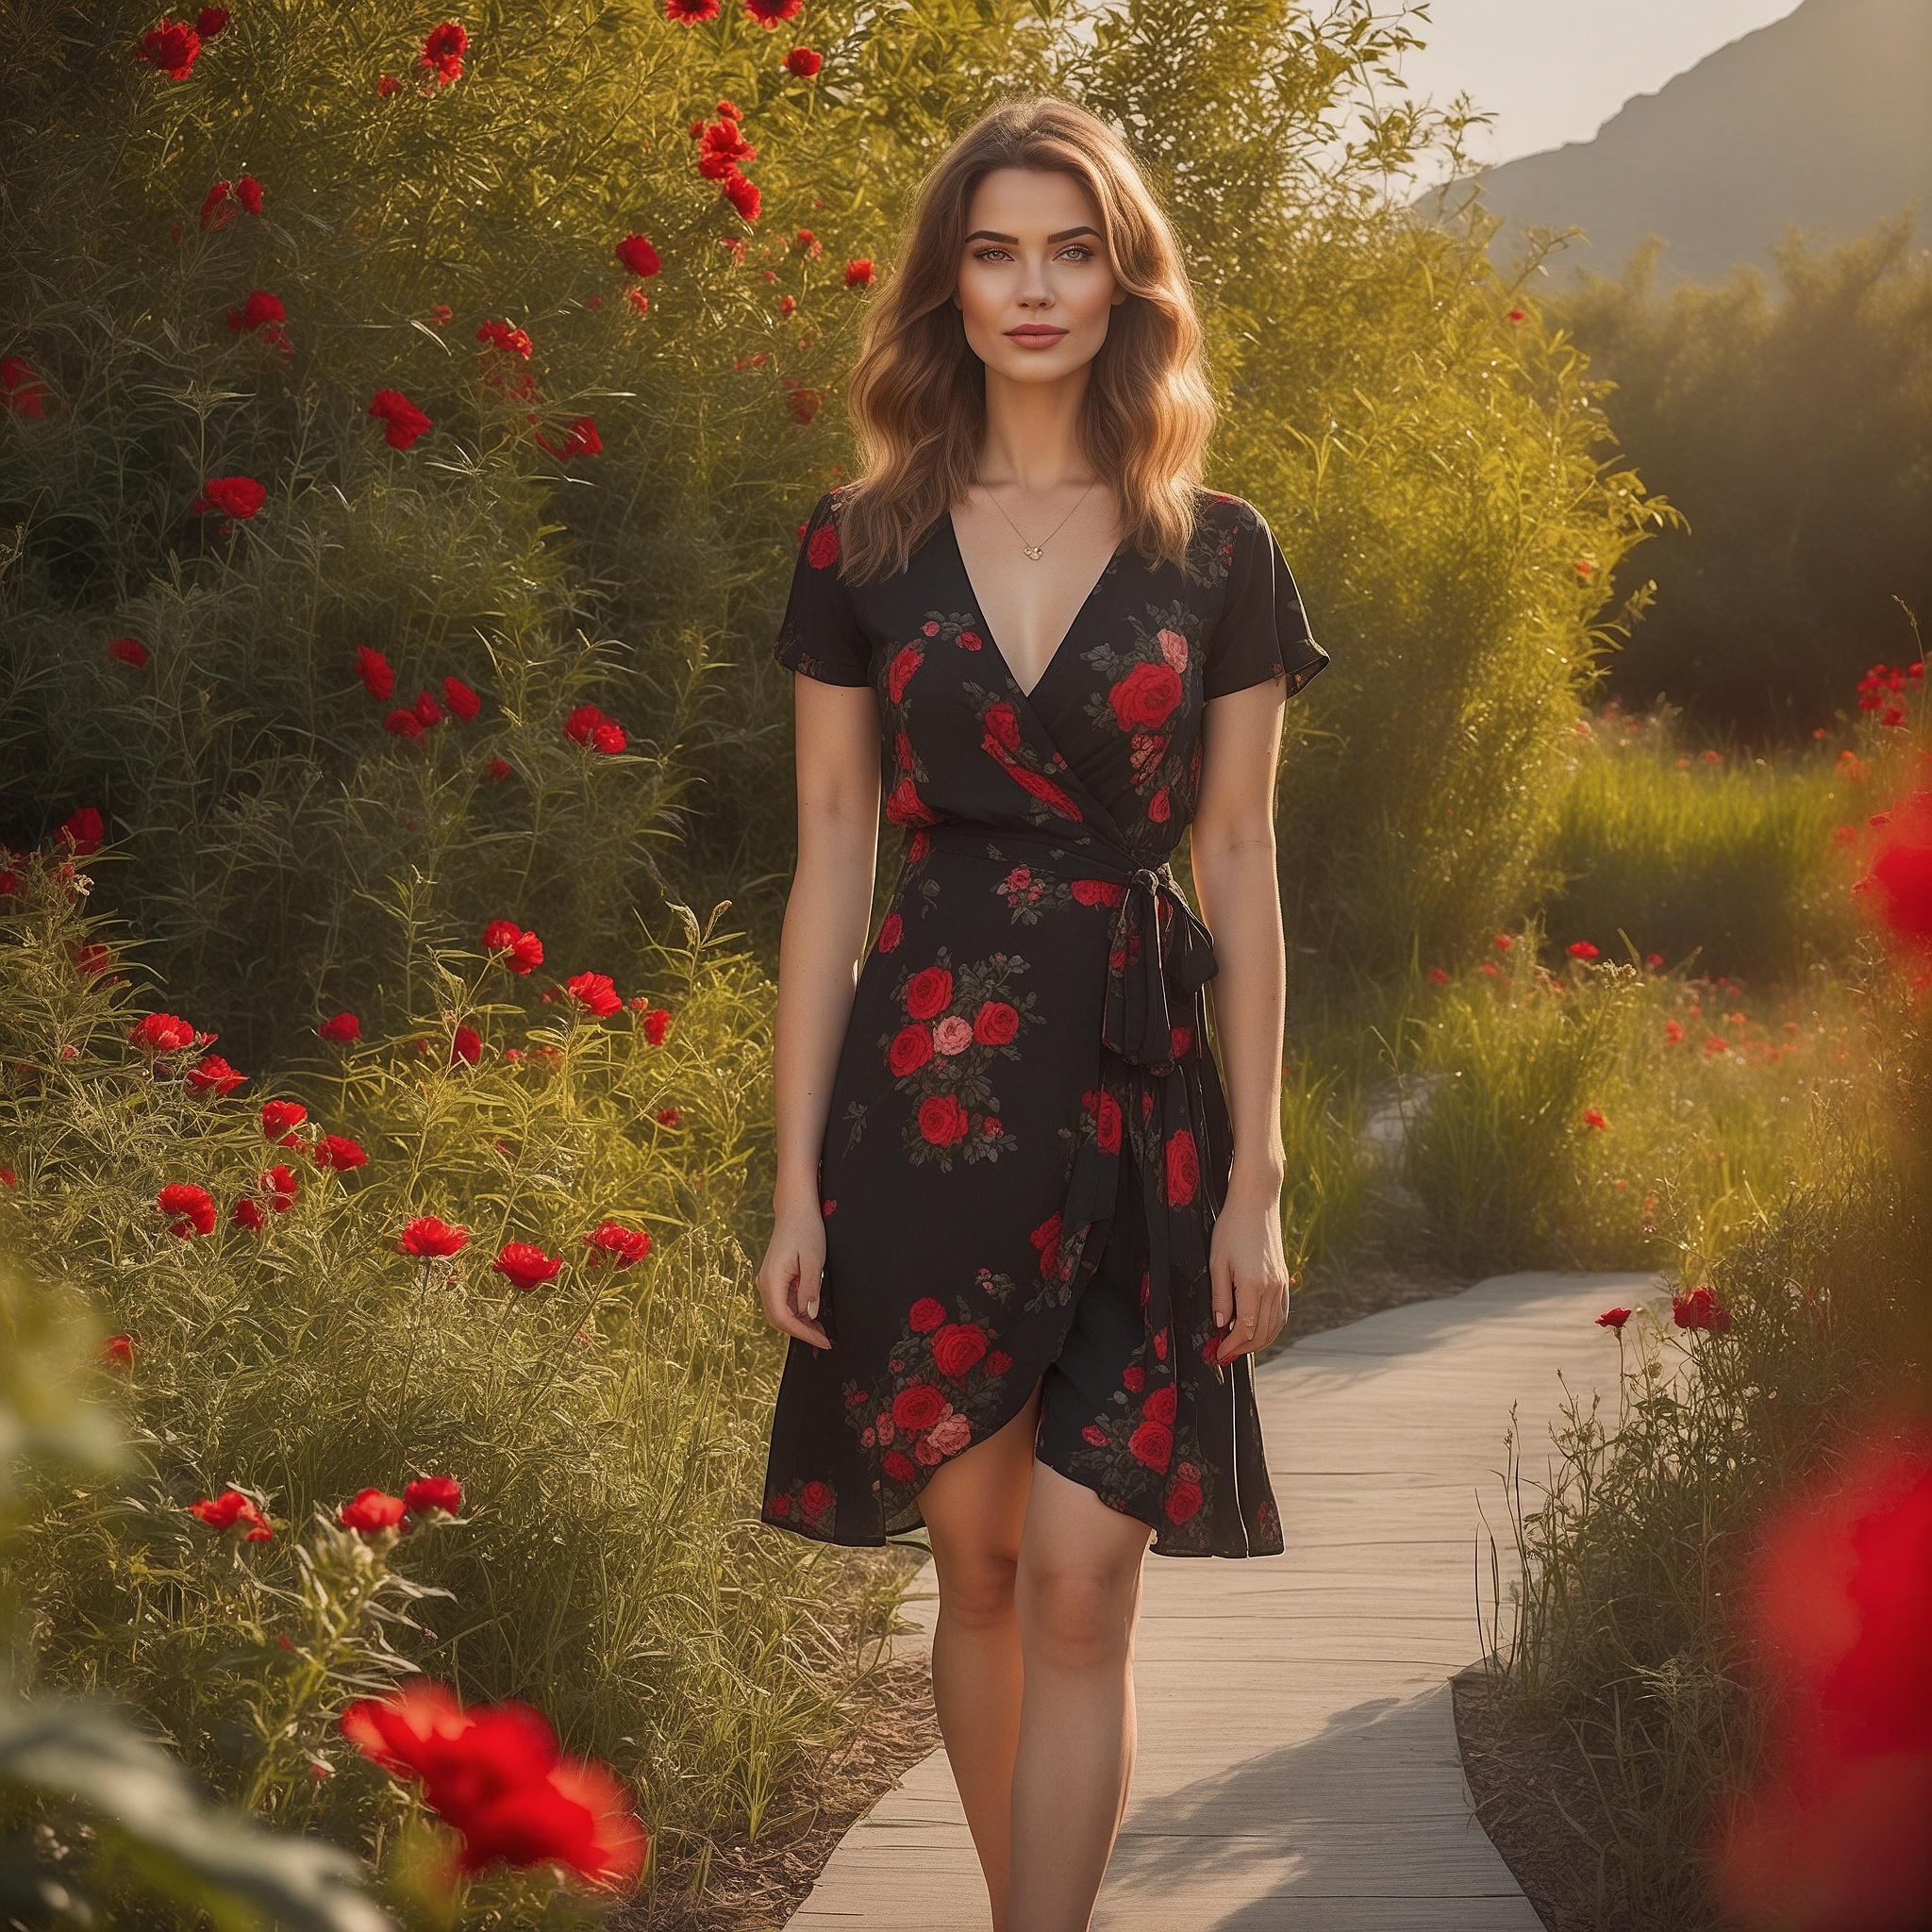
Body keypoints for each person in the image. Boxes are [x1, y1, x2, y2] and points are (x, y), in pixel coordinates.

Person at [755, 94, 1329, 1932]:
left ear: (1121, 281)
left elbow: (1238, 861)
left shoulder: (1218, 553)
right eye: (995, 251)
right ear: (948, 288)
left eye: (1070, 249)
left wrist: (1258, 1179)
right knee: (983, 1572)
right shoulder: (854, 548)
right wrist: (790, 1185)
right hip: (924, 1098)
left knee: (1087, 1582)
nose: (1033, 287)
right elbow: (829, 859)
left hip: (1140, 1092)